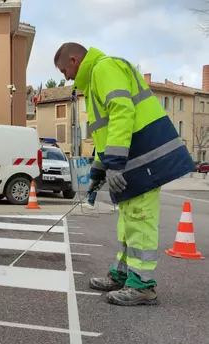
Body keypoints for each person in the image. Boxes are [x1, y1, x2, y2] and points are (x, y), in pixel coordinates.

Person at [54, 43, 194, 306]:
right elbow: (105, 134)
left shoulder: (104, 68)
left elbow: (123, 113)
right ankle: (124, 274)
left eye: (64, 70)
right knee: (128, 219)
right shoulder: (97, 79)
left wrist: (115, 163)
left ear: (74, 60)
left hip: (145, 159)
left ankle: (142, 285)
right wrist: (98, 170)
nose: (66, 77)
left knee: (140, 218)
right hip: (136, 160)